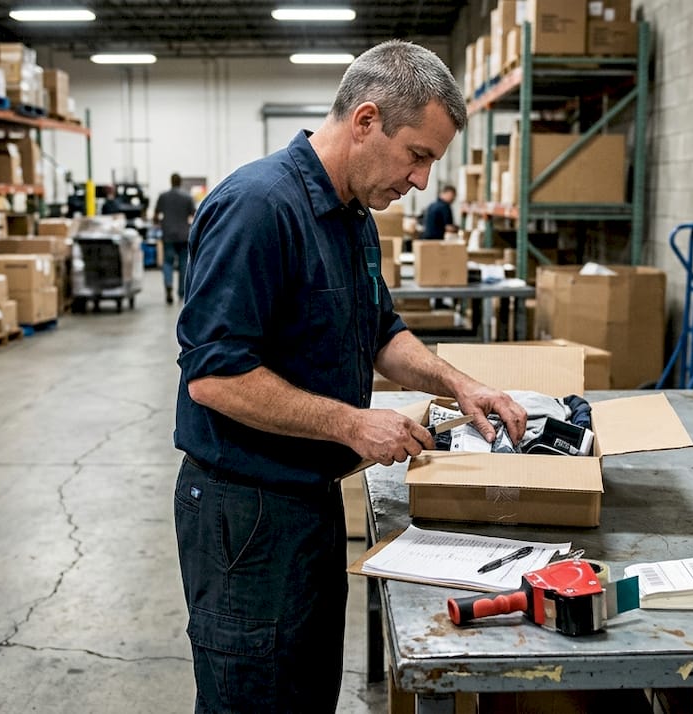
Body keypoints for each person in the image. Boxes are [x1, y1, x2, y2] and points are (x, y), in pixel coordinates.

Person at [172, 40, 527, 713]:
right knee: (252, 699)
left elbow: (380, 331)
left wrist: (459, 384)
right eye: (418, 156)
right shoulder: (257, 208)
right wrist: (352, 422)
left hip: (309, 502)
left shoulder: (352, 216)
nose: (422, 181)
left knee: (307, 694)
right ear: (366, 121)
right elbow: (214, 377)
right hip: (246, 515)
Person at [154, 172, 197, 304]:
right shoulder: (187, 197)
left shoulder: (163, 196)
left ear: (171, 181)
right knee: (183, 264)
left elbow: (156, 215)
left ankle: (168, 285)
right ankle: (181, 292)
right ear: (180, 182)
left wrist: (158, 223)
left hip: (168, 234)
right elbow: (194, 214)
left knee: (168, 262)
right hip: (184, 235)